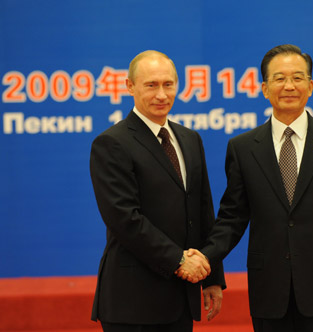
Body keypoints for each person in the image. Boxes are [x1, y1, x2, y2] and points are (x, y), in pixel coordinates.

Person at [181, 44, 313, 331]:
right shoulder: (243, 148)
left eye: (297, 78)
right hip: (269, 286)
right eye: (279, 78)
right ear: (265, 88)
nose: (289, 86)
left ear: (310, 86)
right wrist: (207, 256)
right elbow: (232, 217)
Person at [89, 50, 225, 332]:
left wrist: (211, 276)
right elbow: (124, 219)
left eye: (168, 84)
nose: (161, 94)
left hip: (181, 297)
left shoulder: (189, 139)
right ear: (130, 86)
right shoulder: (112, 143)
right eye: (151, 85)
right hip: (133, 300)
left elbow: (202, 211)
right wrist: (178, 261)